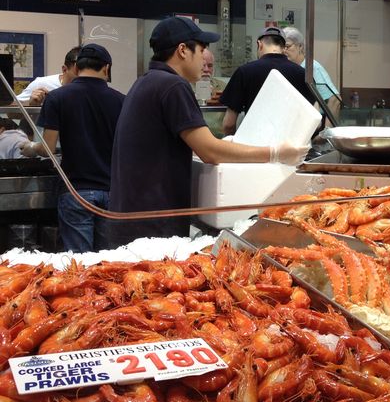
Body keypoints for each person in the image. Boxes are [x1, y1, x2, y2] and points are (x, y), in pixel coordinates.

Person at [108, 16, 308, 245]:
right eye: (201, 49)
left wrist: (231, 144)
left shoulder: (147, 81)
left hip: (132, 219)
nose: (204, 59)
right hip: (152, 226)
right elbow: (209, 151)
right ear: (183, 50)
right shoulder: (173, 86)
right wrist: (275, 153)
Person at [20, 44, 125, 252]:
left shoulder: (58, 97)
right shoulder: (121, 100)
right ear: (106, 68)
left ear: (76, 68)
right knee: (107, 263)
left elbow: (48, 148)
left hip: (75, 192)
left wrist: (30, 147)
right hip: (111, 192)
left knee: (79, 265)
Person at [220, 26, 315, 135]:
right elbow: (312, 120)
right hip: (290, 148)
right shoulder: (303, 74)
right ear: (284, 48)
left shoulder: (244, 72)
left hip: (255, 147)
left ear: (259, 45)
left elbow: (228, 124)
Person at [283, 26, 341, 121]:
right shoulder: (291, 68)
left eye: (287, 46)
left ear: (300, 46)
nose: (284, 51)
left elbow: (334, 100)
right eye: (282, 47)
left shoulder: (312, 67)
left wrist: (326, 131)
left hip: (317, 126)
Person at [16, 46, 81, 106]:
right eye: (78, 72)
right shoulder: (41, 83)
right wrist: (30, 104)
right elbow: (10, 113)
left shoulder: (89, 89)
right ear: (64, 69)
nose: (84, 78)